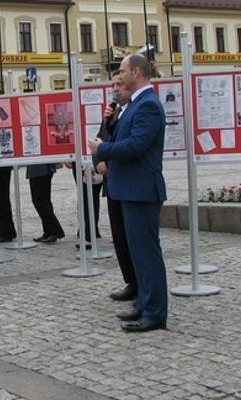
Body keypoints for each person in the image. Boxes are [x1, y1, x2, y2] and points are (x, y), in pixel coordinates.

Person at [88, 54, 168, 333]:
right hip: (130, 189)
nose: (119, 76)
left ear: (137, 71)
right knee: (137, 254)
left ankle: (155, 312)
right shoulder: (135, 104)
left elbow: (135, 146)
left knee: (147, 255)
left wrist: (102, 149)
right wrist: (109, 129)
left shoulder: (148, 105)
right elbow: (123, 137)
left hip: (141, 190)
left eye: (123, 71)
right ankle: (144, 305)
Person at [95, 72, 137, 302]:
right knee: (119, 238)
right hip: (112, 183)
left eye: (120, 84)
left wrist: (108, 160)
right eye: (113, 85)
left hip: (127, 181)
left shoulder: (135, 111)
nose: (116, 89)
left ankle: (140, 284)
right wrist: (99, 163)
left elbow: (130, 146)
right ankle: (130, 281)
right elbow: (100, 140)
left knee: (132, 239)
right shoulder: (113, 113)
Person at [26, 163, 65, 243]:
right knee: (44, 200)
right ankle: (48, 231)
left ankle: (55, 230)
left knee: (39, 200)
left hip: (40, 167)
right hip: (40, 167)